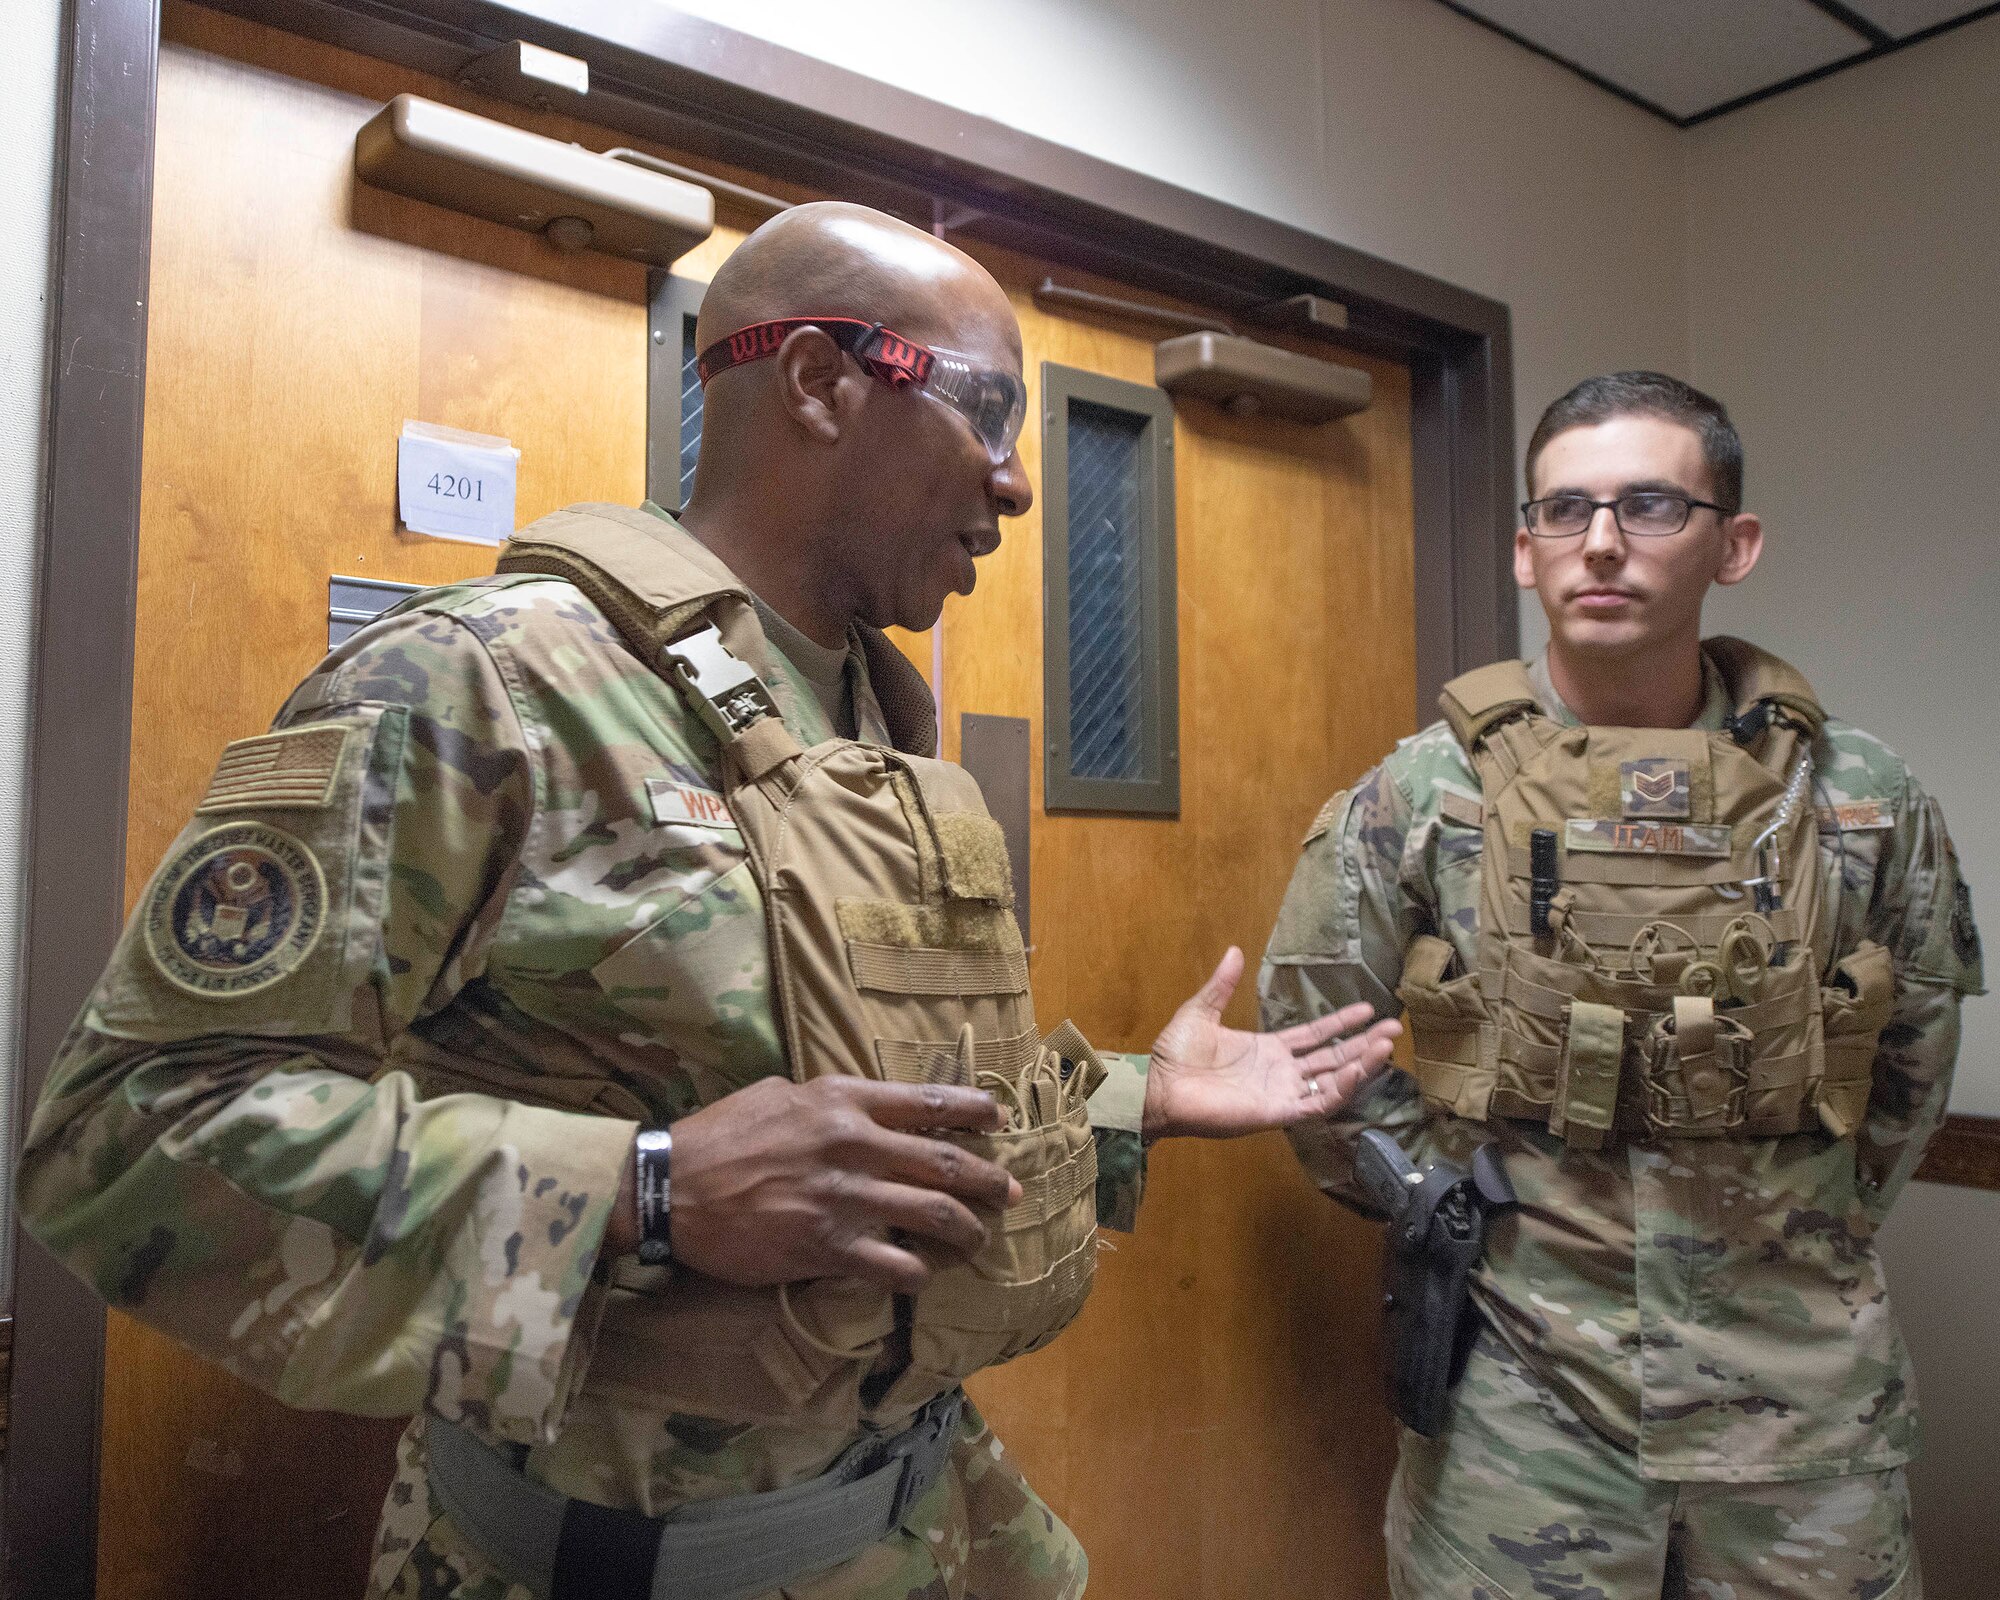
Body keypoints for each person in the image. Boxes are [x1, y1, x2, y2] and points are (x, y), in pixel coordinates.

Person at [18, 200, 1400, 1600]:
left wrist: (1130, 1098)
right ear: (814, 380)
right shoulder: (482, 686)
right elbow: (121, 1137)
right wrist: (646, 1193)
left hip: (926, 1534)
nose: (1017, 484)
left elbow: (837, 1095)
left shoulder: (863, 714)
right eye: (987, 413)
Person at [1260, 371, 1983, 1599]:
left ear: (1732, 544)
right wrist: (1443, 1208)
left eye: (1649, 505)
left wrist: (1803, 1227)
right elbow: (1311, 1044)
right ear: (1521, 546)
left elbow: (1907, 1061)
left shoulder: (1858, 798)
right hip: (1518, 1411)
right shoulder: (1421, 796)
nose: (1598, 542)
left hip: (1798, 1415)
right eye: (1563, 510)